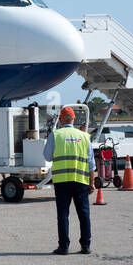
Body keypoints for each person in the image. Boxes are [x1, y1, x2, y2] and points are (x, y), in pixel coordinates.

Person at [43, 107, 94, 255]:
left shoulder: (56, 134)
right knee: (84, 214)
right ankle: (86, 245)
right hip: (81, 180)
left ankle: (64, 246)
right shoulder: (84, 136)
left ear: (61, 119)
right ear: (73, 119)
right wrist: (91, 182)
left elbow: (47, 156)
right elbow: (91, 163)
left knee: (63, 214)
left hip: (62, 181)